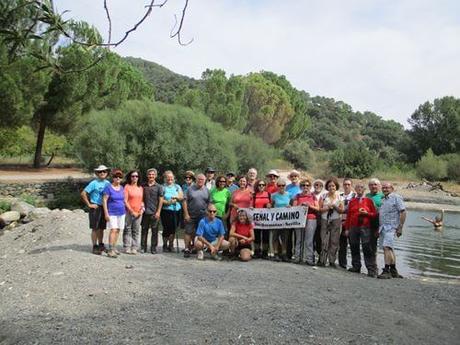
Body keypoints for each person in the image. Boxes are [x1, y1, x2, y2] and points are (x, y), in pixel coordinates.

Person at [344, 182, 378, 276]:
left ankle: (371, 269)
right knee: (354, 246)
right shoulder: (352, 201)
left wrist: (366, 213)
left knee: (366, 247)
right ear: (355, 189)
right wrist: (347, 229)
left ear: (364, 190)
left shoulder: (369, 201)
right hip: (353, 227)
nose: (359, 189)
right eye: (358, 187)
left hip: (365, 227)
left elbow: (375, 215)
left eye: (362, 187)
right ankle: (356, 266)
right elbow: (349, 216)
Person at [378, 182, 406, 279]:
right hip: (383, 227)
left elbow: (403, 211)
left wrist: (400, 227)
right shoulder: (383, 199)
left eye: (387, 188)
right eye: (383, 188)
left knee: (386, 247)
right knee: (390, 248)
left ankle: (386, 270)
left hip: (391, 227)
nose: (385, 189)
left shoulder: (396, 197)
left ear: (392, 188)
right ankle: (394, 270)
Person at [81, 165, 111, 255]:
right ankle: (95, 246)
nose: (102, 173)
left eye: (104, 171)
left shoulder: (108, 183)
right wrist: (89, 204)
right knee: (95, 228)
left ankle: (101, 244)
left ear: (107, 173)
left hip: (104, 207)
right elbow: (83, 193)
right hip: (95, 207)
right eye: (100, 172)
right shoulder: (94, 183)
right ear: (97, 173)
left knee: (101, 228)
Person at [318, 177, 344, 267]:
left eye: (333, 186)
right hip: (325, 219)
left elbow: (341, 210)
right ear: (327, 187)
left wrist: (335, 206)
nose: (331, 187)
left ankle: (332, 261)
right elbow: (319, 209)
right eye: (329, 186)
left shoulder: (340, 196)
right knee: (324, 240)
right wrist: (327, 208)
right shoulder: (323, 196)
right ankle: (322, 260)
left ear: (336, 186)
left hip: (336, 220)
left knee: (334, 241)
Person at [292, 178, 319, 265]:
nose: (305, 187)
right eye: (303, 185)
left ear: (310, 187)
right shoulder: (297, 196)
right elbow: (294, 207)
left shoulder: (313, 196)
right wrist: (301, 205)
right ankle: (297, 257)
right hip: (299, 219)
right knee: (299, 239)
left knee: (309, 240)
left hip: (311, 218)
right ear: (301, 187)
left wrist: (310, 206)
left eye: (307, 185)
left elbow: (318, 208)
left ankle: (309, 259)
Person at [182, 174, 210, 258]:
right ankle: (187, 249)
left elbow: (209, 202)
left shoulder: (207, 190)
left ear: (205, 180)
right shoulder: (190, 189)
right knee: (188, 232)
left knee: (200, 233)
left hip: (202, 215)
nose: (200, 181)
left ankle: (197, 248)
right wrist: (186, 214)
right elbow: (184, 202)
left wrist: (208, 213)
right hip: (190, 214)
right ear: (196, 180)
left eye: (202, 179)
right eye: (199, 179)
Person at [102, 169, 126, 258]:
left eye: (120, 177)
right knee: (113, 230)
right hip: (112, 212)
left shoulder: (122, 188)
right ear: (113, 178)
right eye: (116, 176)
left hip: (122, 212)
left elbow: (123, 200)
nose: (118, 178)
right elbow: (104, 200)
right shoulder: (108, 187)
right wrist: (106, 213)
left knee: (119, 229)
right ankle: (110, 249)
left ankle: (114, 247)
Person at [141, 168, 164, 254]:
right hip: (144, 212)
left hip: (155, 212)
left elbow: (161, 200)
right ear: (147, 175)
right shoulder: (143, 186)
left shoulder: (159, 187)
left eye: (153, 174)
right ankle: (143, 247)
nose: (151, 176)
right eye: (150, 174)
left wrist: (158, 211)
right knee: (144, 230)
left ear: (155, 176)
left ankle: (153, 248)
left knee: (154, 231)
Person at [161, 170, 183, 252]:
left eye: (171, 177)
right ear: (165, 178)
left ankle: (171, 245)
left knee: (174, 228)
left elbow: (181, 197)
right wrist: (167, 202)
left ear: (174, 178)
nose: (170, 179)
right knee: (166, 228)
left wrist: (176, 198)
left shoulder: (177, 187)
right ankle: (165, 245)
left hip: (176, 210)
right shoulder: (162, 187)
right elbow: (160, 199)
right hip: (166, 211)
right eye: (168, 177)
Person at [270, 177, 291, 262]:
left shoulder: (289, 194)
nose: (281, 187)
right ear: (277, 186)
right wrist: (268, 205)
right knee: (275, 237)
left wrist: (290, 207)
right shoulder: (273, 195)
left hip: (286, 220)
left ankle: (284, 254)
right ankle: (275, 253)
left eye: (283, 185)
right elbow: (271, 206)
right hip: (276, 220)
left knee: (285, 238)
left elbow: (293, 206)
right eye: (279, 185)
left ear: (285, 186)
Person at [123, 170, 144, 255]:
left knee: (136, 230)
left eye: (136, 176)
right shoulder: (127, 187)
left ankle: (134, 247)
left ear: (138, 178)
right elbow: (125, 201)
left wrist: (141, 210)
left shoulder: (141, 188)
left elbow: (142, 201)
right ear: (130, 177)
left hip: (139, 212)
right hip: (129, 212)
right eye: (133, 176)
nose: (135, 178)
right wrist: (131, 211)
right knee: (127, 229)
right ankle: (127, 247)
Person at [366, 178, 384, 272]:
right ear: (369, 186)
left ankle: (387, 268)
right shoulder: (367, 196)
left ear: (379, 186)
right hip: (367, 224)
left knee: (385, 247)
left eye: (375, 184)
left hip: (379, 224)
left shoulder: (383, 196)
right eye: (371, 185)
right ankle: (372, 267)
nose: (373, 186)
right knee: (369, 246)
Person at [338, 178, 356, 269]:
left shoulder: (355, 196)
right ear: (343, 185)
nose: (347, 186)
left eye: (348, 184)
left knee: (353, 244)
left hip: (351, 223)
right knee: (342, 244)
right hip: (340, 222)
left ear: (351, 185)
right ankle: (342, 263)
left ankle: (355, 265)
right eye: (345, 184)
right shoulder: (339, 195)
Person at [252, 179, 272, 258]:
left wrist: (270, 205)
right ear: (257, 186)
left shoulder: (268, 194)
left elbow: (271, 204)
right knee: (256, 235)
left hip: (266, 219)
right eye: (259, 185)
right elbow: (252, 205)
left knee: (266, 235)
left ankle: (265, 252)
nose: (261, 186)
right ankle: (257, 252)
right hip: (256, 219)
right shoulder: (254, 195)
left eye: (263, 185)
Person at [312, 179, 325, 259]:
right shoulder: (310, 194)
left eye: (320, 185)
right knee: (311, 238)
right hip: (312, 218)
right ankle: (311, 255)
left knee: (320, 238)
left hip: (321, 219)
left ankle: (320, 256)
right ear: (314, 186)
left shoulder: (324, 195)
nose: (318, 186)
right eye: (316, 185)